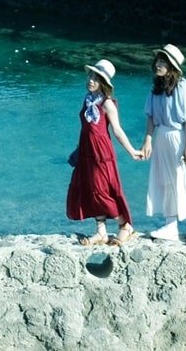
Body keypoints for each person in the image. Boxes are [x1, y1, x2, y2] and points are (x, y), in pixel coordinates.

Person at [136, 43, 186, 243]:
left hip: (179, 136)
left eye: (163, 61)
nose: (158, 64)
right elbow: (150, 116)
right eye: (158, 60)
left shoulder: (183, 86)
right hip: (162, 138)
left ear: (172, 65)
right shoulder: (156, 88)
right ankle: (170, 224)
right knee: (165, 180)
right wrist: (147, 139)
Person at [67, 58, 139, 246]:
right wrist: (77, 149)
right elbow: (86, 128)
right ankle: (101, 232)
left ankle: (125, 225)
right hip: (86, 150)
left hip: (101, 152)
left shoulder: (107, 104)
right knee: (90, 188)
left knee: (103, 190)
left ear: (104, 84)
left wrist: (131, 150)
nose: (91, 80)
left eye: (96, 78)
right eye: (91, 75)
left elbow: (117, 130)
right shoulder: (87, 99)